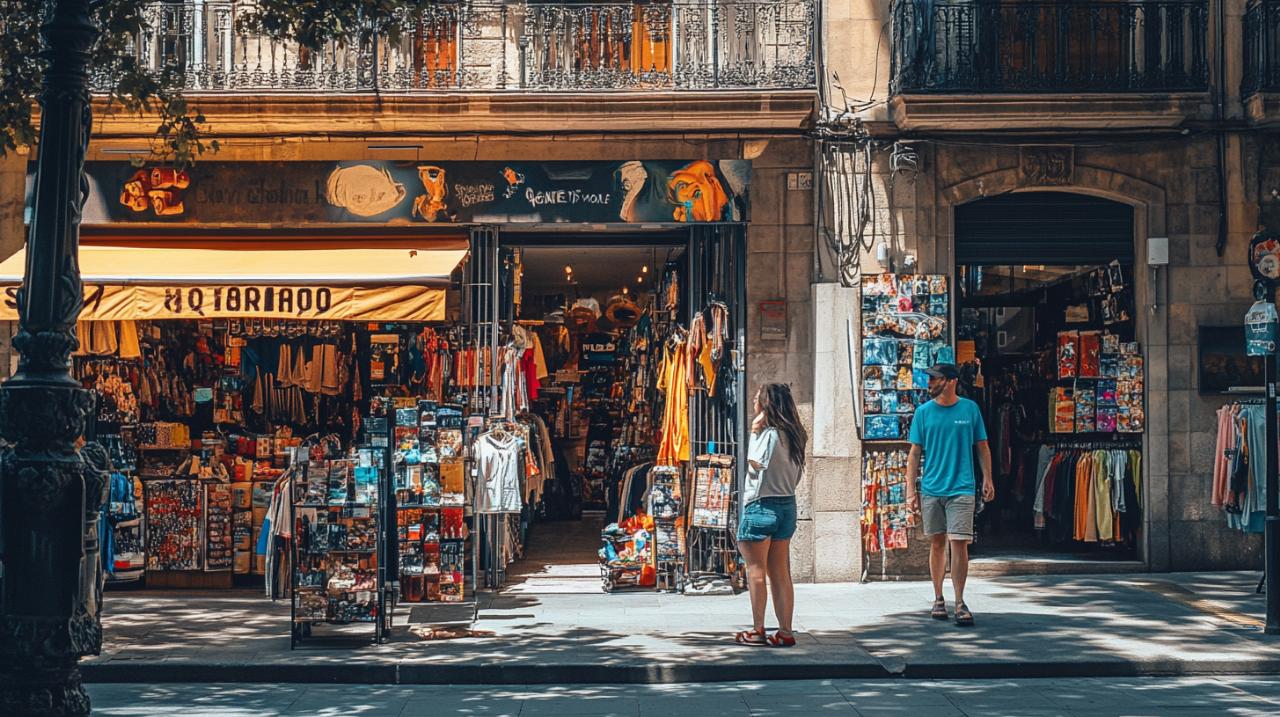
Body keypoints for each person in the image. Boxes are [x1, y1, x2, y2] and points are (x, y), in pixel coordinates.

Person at [906, 363, 994, 627]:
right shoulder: (923, 412)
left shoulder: (969, 409)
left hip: (962, 487)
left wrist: (988, 477)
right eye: (930, 379)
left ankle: (960, 601)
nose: (929, 384)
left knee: (959, 544)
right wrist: (911, 490)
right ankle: (937, 597)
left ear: (951, 381)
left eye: (935, 380)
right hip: (932, 488)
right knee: (936, 543)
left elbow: (983, 446)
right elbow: (914, 454)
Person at [733, 383, 807, 647]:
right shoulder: (796, 434)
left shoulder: (769, 434)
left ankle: (757, 629)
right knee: (781, 573)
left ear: (766, 405)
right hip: (787, 504)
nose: (754, 401)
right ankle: (785, 631)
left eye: (757, 399)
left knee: (755, 570)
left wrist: (755, 431)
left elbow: (755, 462)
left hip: (761, 505)